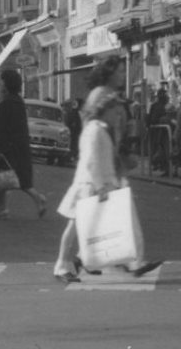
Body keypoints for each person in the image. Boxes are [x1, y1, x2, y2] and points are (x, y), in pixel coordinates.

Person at [53, 56, 162, 283]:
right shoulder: (100, 103)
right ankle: (65, 263)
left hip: (103, 176)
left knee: (112, 220)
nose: (123, 75)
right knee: (79, 223)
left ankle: (123, 260)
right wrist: (104, 178)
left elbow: (109, 141)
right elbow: (92, 149)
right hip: (91, 180)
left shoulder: (107, 109)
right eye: (120, 71)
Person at [0, 68, 47, 220]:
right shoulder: (17, 101)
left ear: (7, 84)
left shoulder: (7, 103)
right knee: (17, 179)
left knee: (1, 178)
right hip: (18, 147)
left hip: (6, 147)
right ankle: (36, 199)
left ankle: (4, 209)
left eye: (1, 81)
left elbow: (3, 128)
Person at [147, 88, 171, 172]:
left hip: (159, 131)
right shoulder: (164, 106)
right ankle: (162, 166)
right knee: (162, 149)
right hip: (161, 131)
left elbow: (150, 118)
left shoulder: (157, 106)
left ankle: (160, 165)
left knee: (159, 149)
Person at [62, 98, 82, 163]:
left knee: (73, 146)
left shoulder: (75, 113)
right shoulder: (72, 113)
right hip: (73, 132)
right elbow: (70, 122)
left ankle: (70, 157)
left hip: (75, 132)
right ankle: (68, 157)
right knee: (72, 146)